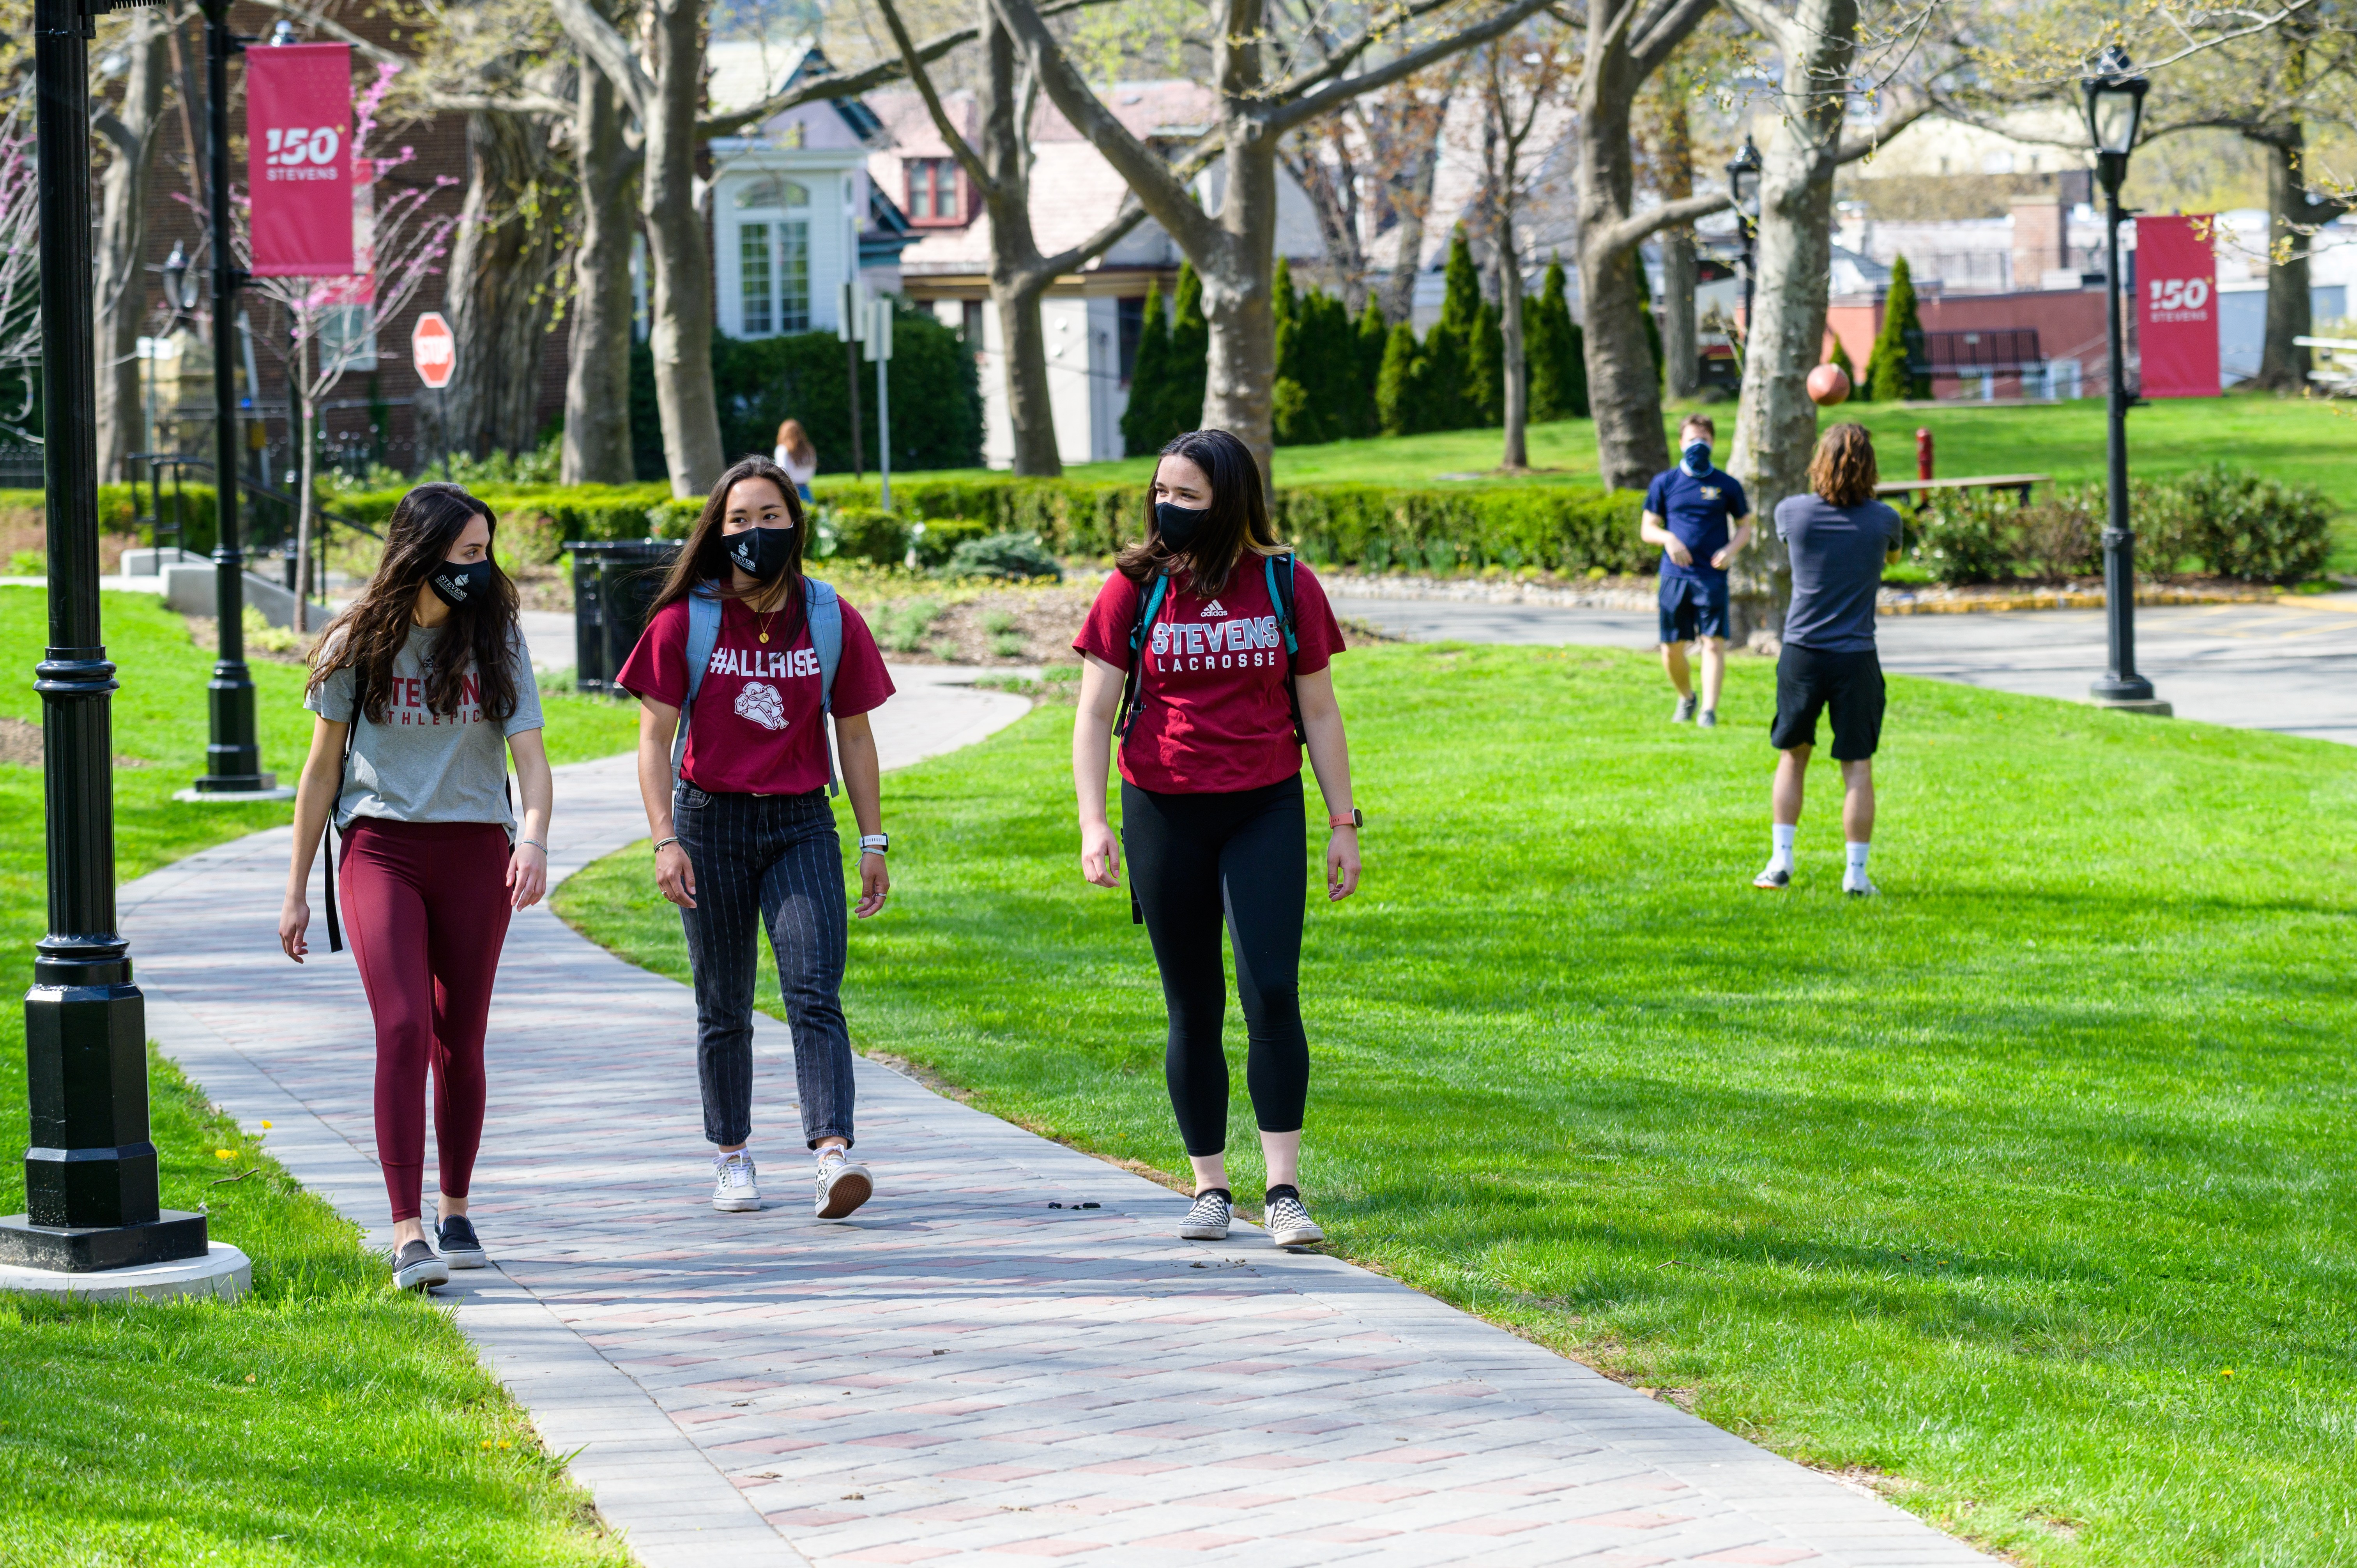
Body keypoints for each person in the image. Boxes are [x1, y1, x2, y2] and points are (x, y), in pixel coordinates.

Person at [1071, 428, 1361, 1250]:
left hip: (1263, 806)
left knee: (1270, 989)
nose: (1168, 508)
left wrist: (1342, 822)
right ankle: (1208, 1187)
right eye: (1160, 493)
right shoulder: (1132, 587)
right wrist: (1095, 822)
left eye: (1187, 496)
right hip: (1161, 809)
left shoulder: (1282, 581)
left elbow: (1320, 709)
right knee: (1192, 1003)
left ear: (1229, 499)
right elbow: (1093, 714)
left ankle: (1282, 1190)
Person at [279, 483, 553, 1292]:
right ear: (421, 552)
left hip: (476, 849)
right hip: (380, 849)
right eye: (466, 553)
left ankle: (455, 1208)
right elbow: (321, 770)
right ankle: (406, 1231)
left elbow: (531, 764)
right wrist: (295, 888)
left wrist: (532, 838)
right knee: (401, 1026)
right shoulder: (357, 640)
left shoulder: (496, 638)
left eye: (485, 551)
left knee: (457, 1037)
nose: (481, 566)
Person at [615, 455, 894, 1219]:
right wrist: (663, 838)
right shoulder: (686, 620)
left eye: (770, 516)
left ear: (794, 524)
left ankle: (832, 1154)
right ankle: (732, 1153)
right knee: (724, 1001)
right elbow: (652, 741)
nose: (755, 531)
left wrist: (873, 842)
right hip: (709, 822)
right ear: (717, 527)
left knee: (813, 988)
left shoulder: (829, 616)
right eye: (739, 518)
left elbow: (856, 735)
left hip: (801, 821)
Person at [1755, 422, 1904, 896]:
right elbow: (1893, 561)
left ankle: (1780, 864)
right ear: (1870, 467)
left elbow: (1792, 546)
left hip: (1801, 653)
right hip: (1855, 657)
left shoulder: (1790, 514)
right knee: (1857, 765)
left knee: (1792, 756)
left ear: (1819, 461)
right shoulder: (1885, 521)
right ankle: (1855, 876)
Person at [1641, 414, 1753, 728]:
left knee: (1713, 642)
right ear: (1680, 443)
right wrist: (1668, 538)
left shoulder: (1726, 485)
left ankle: (1708, 711)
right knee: (1671, 649)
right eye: (1692, 439)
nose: (1698, 444)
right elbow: (1647, 529)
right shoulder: (1664, 483)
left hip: (1711, 576)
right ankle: (1686, 696)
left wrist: (1731, 551)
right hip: (1675, 577)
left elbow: (1745, 526)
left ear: (1713, 442)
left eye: (1703, 438)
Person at [774, 419, 819, 503]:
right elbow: (812, 472)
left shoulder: (782, 449)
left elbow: (782, 472)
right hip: (805, 490)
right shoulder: (809, 449)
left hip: (789, 491)